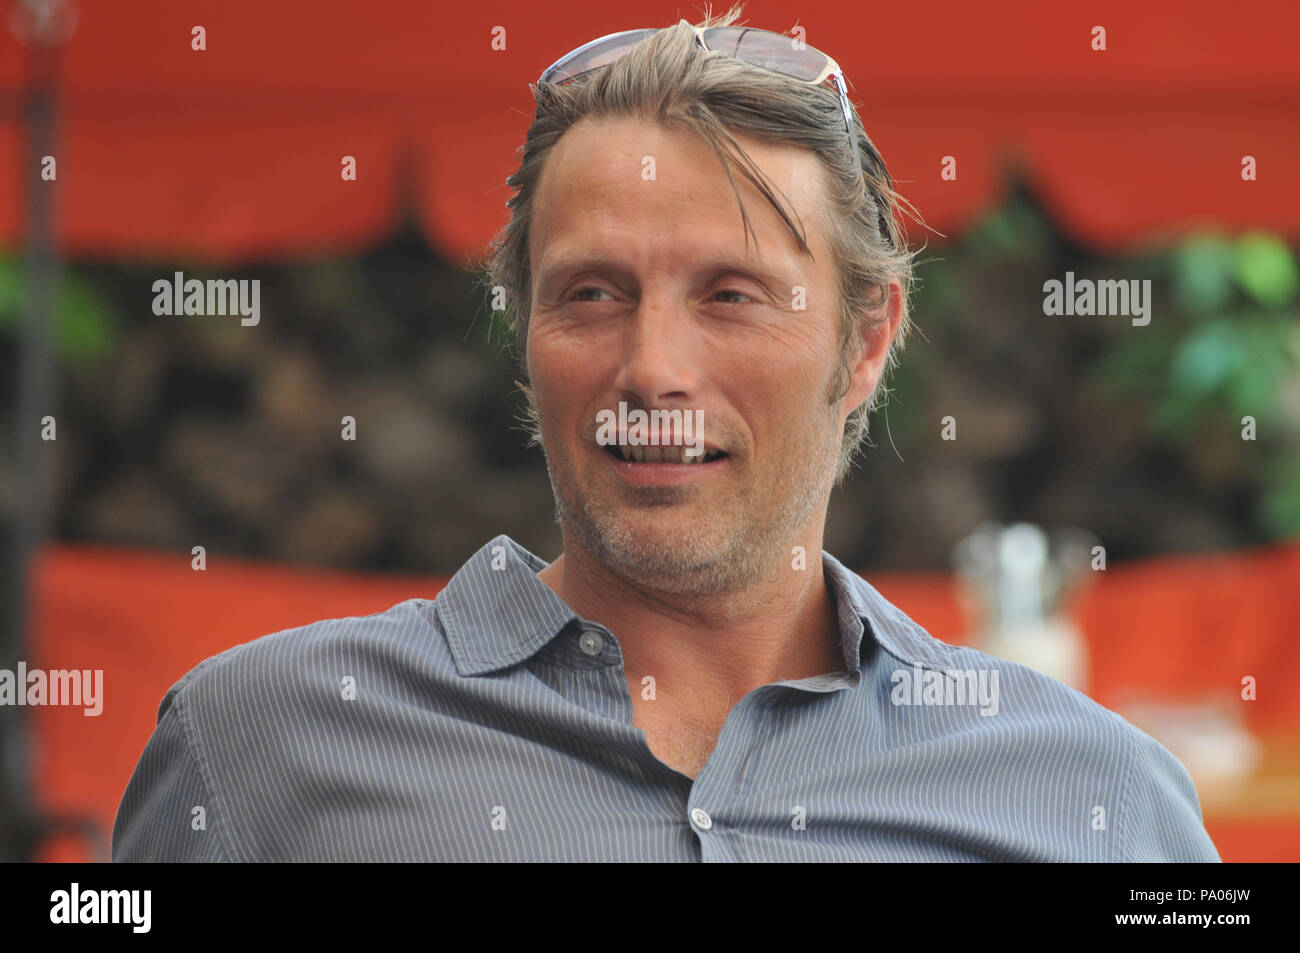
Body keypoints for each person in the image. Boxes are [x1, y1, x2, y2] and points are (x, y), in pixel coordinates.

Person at [113, 7, 1220, 862]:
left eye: (731, 294)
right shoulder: (254, 747)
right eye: (591, 292)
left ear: (869, 340)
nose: (651, 366)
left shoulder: (1098, 796)